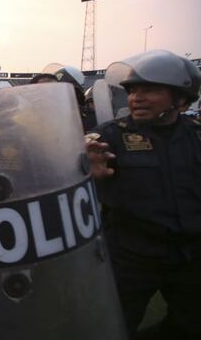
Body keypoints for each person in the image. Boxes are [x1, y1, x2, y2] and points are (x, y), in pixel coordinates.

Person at [87, 50, 201, 340]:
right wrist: (86, 173)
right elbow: (70, 173)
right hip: (131, 258)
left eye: (149, 89)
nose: (136, 97)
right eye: (133, 90)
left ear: (180, 99)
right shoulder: (109, 136)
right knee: (111, 328)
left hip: (189, 257)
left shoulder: (196, 135)